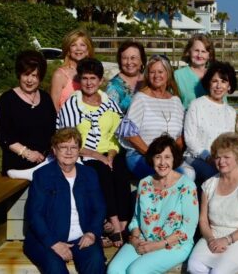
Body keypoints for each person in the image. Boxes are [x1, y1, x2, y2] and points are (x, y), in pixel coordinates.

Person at [57, 58, 130, 248]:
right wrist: (98, 155)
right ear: (80, 80)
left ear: (100, 81)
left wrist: (112, 153)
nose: (89, 83)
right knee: (102, 172)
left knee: (121, 169)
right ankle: (114, 225)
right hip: (83, 154)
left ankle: (124, 222)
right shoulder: (72, 105)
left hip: (109, 151)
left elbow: (117, 133)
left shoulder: (109, 103)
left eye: (93, 78)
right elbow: (66, 139)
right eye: (85, 78)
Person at [107, 135, 199, 274]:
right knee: (114, 270)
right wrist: (136, 238)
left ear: (174, 159)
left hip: (174, 243)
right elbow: (136, 219)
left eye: (167, 157)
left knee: (136, 271)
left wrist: (156, 246)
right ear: (152, 159)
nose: (162, 162)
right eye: (158, 157)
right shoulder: (144, 183)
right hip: (144, 238)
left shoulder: (187, 186)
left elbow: (187, 230)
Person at [23, 128, 106, 274]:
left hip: (82, 238)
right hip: (48, 239)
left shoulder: (89, 174)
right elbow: (35, 214)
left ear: (79, 150)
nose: (69, 152)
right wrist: (53, 243)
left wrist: (92, 233)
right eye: (63, 147)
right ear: (54, 150)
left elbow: (99, 208)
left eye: (73, 147)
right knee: (54, 267)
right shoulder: (42, 176)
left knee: (95, 260)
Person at [187, 132, 238, 274]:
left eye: (226, 157)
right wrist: (211, 239)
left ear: (237, 158)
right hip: (214, 234)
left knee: (219, 272)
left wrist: (227, 239)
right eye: (217, 157)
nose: (221, 161)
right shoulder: (209, 184)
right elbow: (203, 220)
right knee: (194, 265)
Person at [118, 55, 194, 180]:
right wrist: (154, 156)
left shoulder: (175, 100)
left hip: (168, 156)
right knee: (177, 176)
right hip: (141, 155)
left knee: (190, 173)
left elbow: (183, 134)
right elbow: (129, 133)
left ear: (168, 74)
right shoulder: (140, 98)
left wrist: (171, 154)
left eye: (160, 71)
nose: (156, 75)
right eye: (152, 72)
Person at [0, 50, 56, 177]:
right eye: (26, 74)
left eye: (34, 75)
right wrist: (28, 153)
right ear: (19, 75)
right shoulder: (7, 99)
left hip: (46, 161)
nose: (29, 80)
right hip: (19, 164)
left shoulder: (45, 98)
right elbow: (3, 136)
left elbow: (53, 130)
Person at [184, 61, 238, 183]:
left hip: (220, 160)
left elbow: (229, 143)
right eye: (215, 81)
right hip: (196, 158)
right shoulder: (196, 105)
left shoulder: (231, 112)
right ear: (208, 83)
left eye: (223, 82)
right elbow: (190, 139)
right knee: (215, 176)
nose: (219, 86)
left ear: (229, 86)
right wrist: (208, 157)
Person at [50, 29, 94, 111]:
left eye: (82, 45)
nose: (78, 48)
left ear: (88, 50)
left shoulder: (93, 73)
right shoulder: (60, 75)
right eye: (73, 45)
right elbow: (53, 107)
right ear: (68, 50)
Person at [174, 33, 216, 109]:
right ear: (189, 52)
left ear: (209, 55)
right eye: (196, 50)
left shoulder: (215, 75)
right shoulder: (178, 76)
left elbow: (223, 103)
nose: (199, 55)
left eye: (203, 51)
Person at [106, 41, 146, 114]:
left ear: (142, 61)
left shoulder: (150, 81)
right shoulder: (113, 86)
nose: (129, 62)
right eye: (125, 58)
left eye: (133, 58)